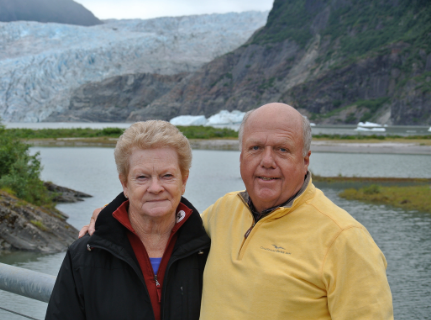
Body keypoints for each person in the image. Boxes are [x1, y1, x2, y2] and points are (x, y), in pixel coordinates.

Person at [82, 103, 393, 319]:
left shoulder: (345, 239)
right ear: (241, 156)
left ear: (306, 160)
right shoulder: (224, 211)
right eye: (255, 148)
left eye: (282, 150)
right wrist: (110, 218)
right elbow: (165, 223)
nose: (267, 161)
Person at [46, 120, 210, 320]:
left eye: (167, 176)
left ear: (183, 181)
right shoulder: (85, 255)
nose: (155, 188)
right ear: (124, 183)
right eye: (142, 177)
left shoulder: (209, 251)